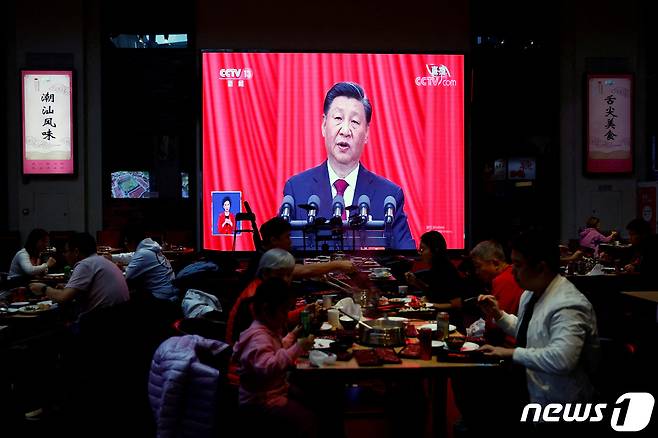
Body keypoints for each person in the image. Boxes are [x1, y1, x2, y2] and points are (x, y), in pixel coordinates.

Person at [282, 81, 415, 249]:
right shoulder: (296, 189)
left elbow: (406, 257)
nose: (345, 130)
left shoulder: (389, 195)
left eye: (354, 122)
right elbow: (282, 258)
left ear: (366, 132)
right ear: (324, 125)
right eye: (338, 118)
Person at [477, 231, 599, 406]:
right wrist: (499, 314)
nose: (513, 272)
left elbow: (563, 359)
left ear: (541, 268)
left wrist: (511, 352)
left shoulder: (568, 304)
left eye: (518, 265)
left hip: (564, 403)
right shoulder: (530, 293)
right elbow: (530, 331)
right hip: (536, 391)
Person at [232, 278, 316, 438]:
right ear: (265, 309)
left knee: (307, 396)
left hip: (272, 391)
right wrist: (299, 347)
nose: (286, 317)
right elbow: (268, 367)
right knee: (307, 419)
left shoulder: (264, 330)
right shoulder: (258, 337)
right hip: (260, 401)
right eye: (284, 311)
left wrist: (292, 336)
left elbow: (274, 351)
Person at [29, 232, 129, 320]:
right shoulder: (103, 261)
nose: (65, 255)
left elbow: (63, 298)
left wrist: (43, 288)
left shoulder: (85, 264)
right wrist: (69, 288)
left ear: (76, 252)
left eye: (66, 251)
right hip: (118, 320)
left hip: (98, 324)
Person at [242, 217, 356, 284]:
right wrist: (338, 264)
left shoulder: (264, 253)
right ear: (273, 240)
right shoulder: (266, 259)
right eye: (287, 237)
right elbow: (300, 270)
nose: (290, 241)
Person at [470, 239, 524, 346]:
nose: (476, 272)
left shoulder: (503, 279)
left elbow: (495, 325)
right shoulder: (506, 277)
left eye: (478, 266)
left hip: (507, 346)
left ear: (495, 263)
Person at [111, 227, 179, 302]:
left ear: (133, 241)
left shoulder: (143, 253)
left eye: (126, 241)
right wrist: (112, 258)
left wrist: (115, 269)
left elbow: (127, 277)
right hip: (170, 292)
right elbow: (133, 256)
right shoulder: (150, 249)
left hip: (161, 297)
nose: (125, 244)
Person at [404, 231, 465, 310]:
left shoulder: (446, 270)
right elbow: (435, 293)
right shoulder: (436, 267)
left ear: (435, 250)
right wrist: (415, 282)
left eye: (423, 249)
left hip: (445, 318)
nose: (420, 253)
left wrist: (427, 305)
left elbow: (457, 304)